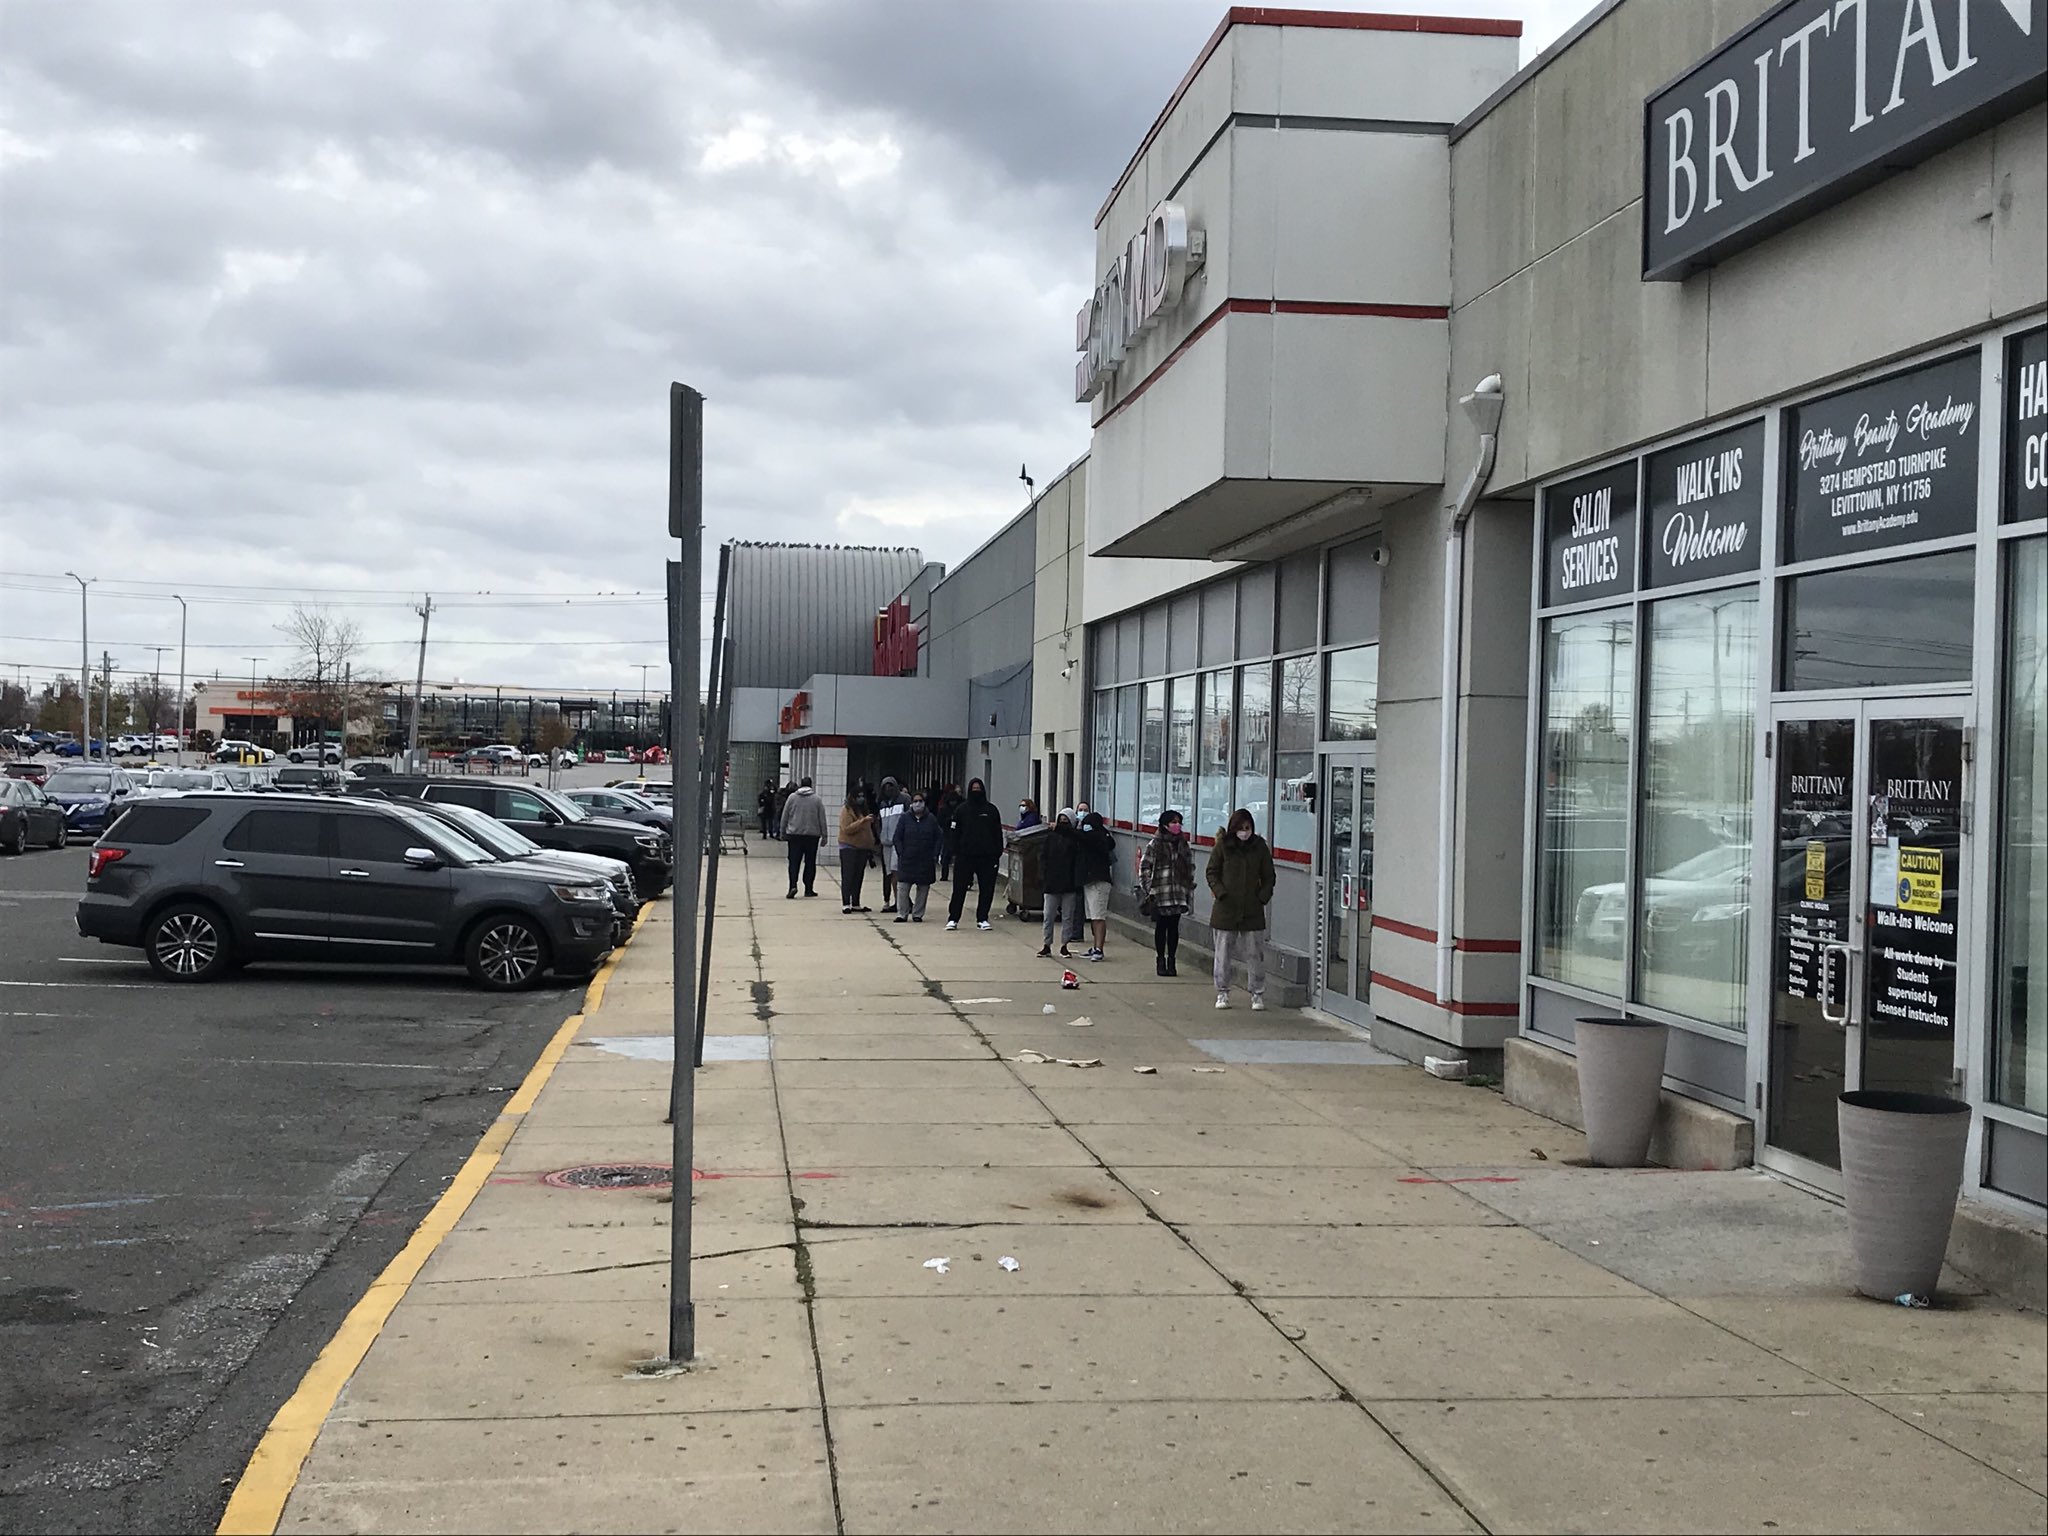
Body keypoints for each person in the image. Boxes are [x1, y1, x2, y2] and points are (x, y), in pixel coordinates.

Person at [1206, 807, 1276, 1009]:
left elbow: (1269, 876)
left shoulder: (1259, 847)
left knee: (1255, 954)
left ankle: (1257, 993)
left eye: (1248, 828)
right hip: (1226, 909)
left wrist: (1262, 898)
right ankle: (1222, 992)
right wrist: (1221, 893)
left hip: (1252, 910)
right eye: (1241, 828)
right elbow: (1212, 872)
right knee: (1223, 954)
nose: (1245, 832)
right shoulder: (1223, 846)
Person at [1139, 809, 1196, 977]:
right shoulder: (1155, 844)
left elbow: (1189, 866)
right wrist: (1149, 887)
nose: (1176, 825)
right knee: (1161, 926)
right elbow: (1145, 866)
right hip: (1160, 892)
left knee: (1173, 928)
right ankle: (1160, 960)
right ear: (1164, 825)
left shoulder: (1183, 844)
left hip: (1177, 893)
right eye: (1173, 822)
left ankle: (1172, 960)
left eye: (1179, 822)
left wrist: (1187, 886)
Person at [944, 777, 1004, 930]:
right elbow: (954, 832)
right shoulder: (961, 810)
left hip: (987, 857)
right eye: (973, 789)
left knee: (986, 889)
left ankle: (982, 918)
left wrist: (997, 852)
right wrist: (955, 851)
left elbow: (997, 833)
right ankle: (953, 918)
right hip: (965, 856)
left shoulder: (991, 810)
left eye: (978, 789)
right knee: (959, 888)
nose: (976, 791)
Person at [1036, 807, 1081, 958]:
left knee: (1068, 916)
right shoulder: (1051, 837)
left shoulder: (1075, 839)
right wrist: (1043, 876)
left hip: (1069, 883)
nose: (1062, 824)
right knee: (1048, 915)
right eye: (1060, 820)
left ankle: (1064, 945)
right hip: (1051, 882)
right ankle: (1046, 944)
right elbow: (1043, 857)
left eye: (1066, 821)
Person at [893, 790, 943, 922]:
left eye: (920, 801)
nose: (918, 804)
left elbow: (939, 837)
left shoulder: (931, 819)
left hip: (925, 860)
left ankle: (917, 914)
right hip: (907, 859)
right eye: (915, 801)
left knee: (923, 888)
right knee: (903, 888)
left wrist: (935, 853)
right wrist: (901, 852)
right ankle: (902, 913)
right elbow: (897, 837)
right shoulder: (904, 818)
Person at [1075, 809, 1117, 960]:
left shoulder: (1099, 839)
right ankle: (1095, 947)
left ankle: (1099, 949)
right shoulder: (1093, 839)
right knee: (1093, 916)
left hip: (1098, 882)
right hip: (1089, 882)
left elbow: (1082, 837)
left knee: (1098, 917)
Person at [780, 775, 827, 898]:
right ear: (811, 785)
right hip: (812, 836)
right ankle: (808, 889)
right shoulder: (817, 800)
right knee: (810, 862)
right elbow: (822, 818)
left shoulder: (792, 798)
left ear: (800, 785)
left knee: (794, 862)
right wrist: (824, 835)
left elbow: (785, 816)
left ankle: (793, 885)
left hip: (794, 835)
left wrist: (782, 832)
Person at [837, 790, 879, 913]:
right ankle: (846, 903)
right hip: (848, 847)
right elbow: (847, 829)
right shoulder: (847, 810)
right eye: (858, 796)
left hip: (862, 847)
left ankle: (855, 902)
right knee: (848, 875)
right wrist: (862, 821)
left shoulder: (863, 810)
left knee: (858, 876)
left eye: (862, 796)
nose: (861, 799)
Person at [875, 777, 909, 907]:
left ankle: (900, 900)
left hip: (898, 842)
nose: (888, 789)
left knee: (896, 872)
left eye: (890, 786)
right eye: (885, 787)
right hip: (885, 842)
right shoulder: (882, 803)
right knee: (888, 872)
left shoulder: (904, 800)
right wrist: (879, 836)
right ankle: (890, 900)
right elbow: (879, 822)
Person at [937, 782, 965, 881]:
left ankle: (960, 875)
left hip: (958, 834)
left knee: (958, 857)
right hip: (947, 834)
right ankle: (944, 875)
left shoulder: (961, 808)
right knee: (946, 856)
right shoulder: (945, 809)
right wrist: (949, 820)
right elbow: (940, 821)